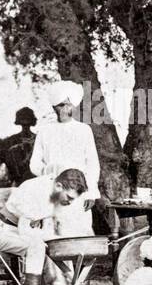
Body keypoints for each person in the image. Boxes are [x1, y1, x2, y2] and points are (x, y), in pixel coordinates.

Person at [0, 168, 87, 285]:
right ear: (59, 186)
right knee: (38, 247)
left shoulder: (56, 192)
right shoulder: (34, 190)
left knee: (57, 243)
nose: (69, 201)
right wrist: (49, 237)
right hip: (5, 233)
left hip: (25, 233)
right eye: (69, 197)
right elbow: (25, 230)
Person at [29, 81, 101, 236]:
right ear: (54, 107)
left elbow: (92, 164)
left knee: (77, 236)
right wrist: (48, 171)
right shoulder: (45, 131)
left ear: (74, 106)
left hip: (78, 192)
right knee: (53, 237)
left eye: (68, 105)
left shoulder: (83, 130)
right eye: (60, 105)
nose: (64, 109)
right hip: (53, 191)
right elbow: (34, 163)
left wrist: (91, 192)